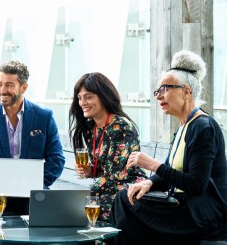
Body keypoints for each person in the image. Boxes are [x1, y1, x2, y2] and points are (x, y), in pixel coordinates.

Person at [113, 50, 227, 244]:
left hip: (202, 216)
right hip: (185, 208)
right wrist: (148, 183)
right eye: (157, 91)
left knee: (125, 202)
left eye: (165, 88)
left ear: (186, 91)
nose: (159, 96)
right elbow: (169, 172)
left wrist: (152, 164)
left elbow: (197, 185)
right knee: (127, 196)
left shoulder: (203, 127)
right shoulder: (185, 126)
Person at [0, 60, 65, 215]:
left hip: (32, 187)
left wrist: (37, 183)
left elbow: (56, 159)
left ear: (23, 87)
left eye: (9, 85)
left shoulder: (43, 116)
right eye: (0, 84)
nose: (2, 90)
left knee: (41, 211)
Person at [69, 72, 147, 222]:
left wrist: (81, 195)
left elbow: (115, 175)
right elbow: (106, 169)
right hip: (106, 190)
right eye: (79, 98)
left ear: (104, 96)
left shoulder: (121, 127)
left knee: (78, 213)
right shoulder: (90, 128)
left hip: (128, 190)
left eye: (89, 97)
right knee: (72, 212)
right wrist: (91, 170)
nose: (82, 102)